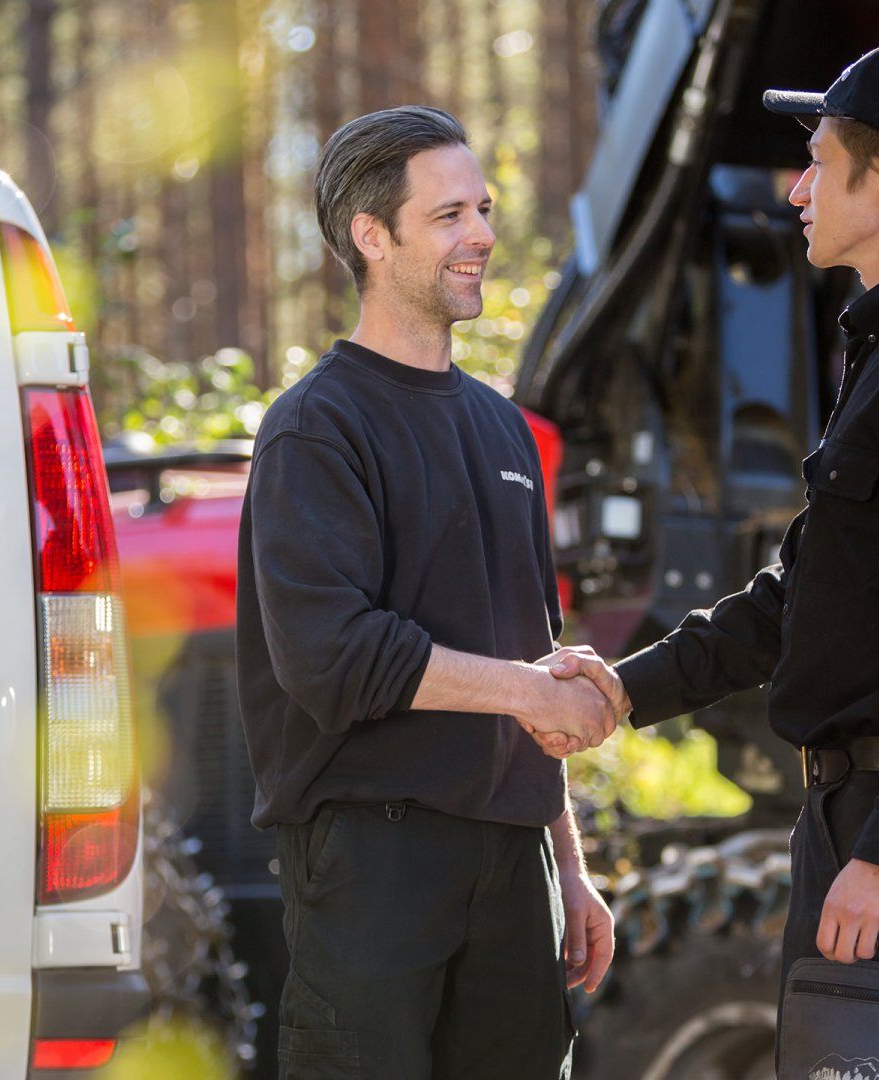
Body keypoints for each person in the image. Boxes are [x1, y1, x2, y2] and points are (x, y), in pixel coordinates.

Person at [552, 45, 879, 1077]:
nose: (796, 188)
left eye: (820, 161)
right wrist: (620, 692)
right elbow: (802, 600)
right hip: (866, 807)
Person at [235, 105, 617, 1079]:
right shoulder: (315, 430)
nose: (483, 234)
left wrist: (567, 865)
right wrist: (530, 693)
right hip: (372, 859)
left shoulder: (504, 433)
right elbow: (335, 657)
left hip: (513, 858)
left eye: (482, 208)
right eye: (450, 215)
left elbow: (534, 651)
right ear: (373, 236)